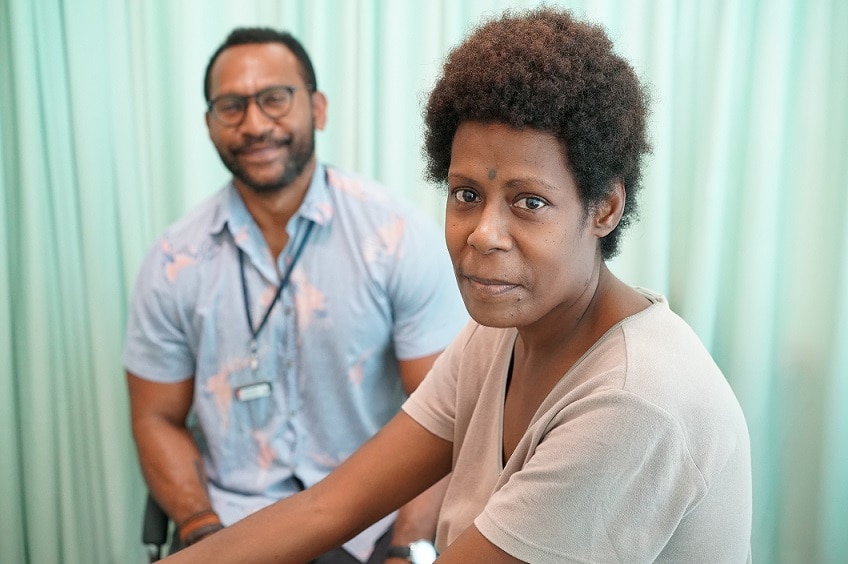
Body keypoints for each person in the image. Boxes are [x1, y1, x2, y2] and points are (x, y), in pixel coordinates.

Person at [162, 7, 753, 563]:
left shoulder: (632, 402)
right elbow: (328, 506)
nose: (484, 235)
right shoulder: (499, 334)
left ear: (604, 209)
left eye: (529, 202)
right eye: (466, 195)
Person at [123, 27, 467, 563]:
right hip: (232, 522)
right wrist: (199, 527)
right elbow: (156, 418)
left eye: (275, 99)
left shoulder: (396, 236)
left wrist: (408, 545)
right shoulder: (173, 261)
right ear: (210, 125)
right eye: (232, 106)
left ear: (318, 108)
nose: (255, 124)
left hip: (368, 518)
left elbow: (446, 416)